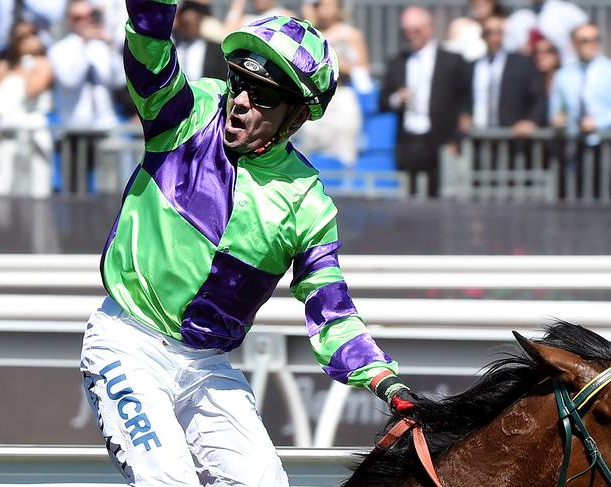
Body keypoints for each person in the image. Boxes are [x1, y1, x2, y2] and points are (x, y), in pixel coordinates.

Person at [80, 2, 413, 485]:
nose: (240, 101)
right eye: (239, 82)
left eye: (262, 96)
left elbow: (332, 313)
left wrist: (383, 381)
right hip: (127, 342)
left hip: (208, 365)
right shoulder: (187, 114)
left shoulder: (308, 201)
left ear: (296, 118)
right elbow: (149, 45)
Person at [380, 6, 470, 197]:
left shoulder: (451, 61)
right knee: (409, 196)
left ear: (429, 28)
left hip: (441, 140)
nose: (411, 35)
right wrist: (398, 98)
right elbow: (383, 100)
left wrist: (461, 125)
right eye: (406, 31)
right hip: (408, 140)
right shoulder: (397, 62)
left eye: (416, 30)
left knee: (442, 195)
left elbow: (466, 95)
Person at [48, 0, 119, 193]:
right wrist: (84, 44)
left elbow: (117, 80)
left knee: (109, 193)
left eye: (89, 16)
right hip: (74, 131)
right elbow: (70, 80)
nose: (84, 22)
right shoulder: (59, 49)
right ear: (68, 21)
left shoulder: (102, 46)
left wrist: (112, 46)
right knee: (76, 194)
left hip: (104, 127)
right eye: (78, 17)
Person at [0, 20, 54, 197]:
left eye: (31, 35)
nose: (26, 40)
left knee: (37, 189)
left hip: (34, 135)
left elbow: (32, 90)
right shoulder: (2, 67)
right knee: (2, 187)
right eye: (21, 37)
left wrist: (28, 62)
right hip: (7, 135)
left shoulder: (43, 64)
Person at [296, 0, 369, 167]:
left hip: (341, 95)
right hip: (313, 94)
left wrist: (338, 63)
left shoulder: (351, 34)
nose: (321, 7)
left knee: (344, 149)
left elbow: (363, 72)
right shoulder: (310, 32)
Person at [550, 22, 611, 198]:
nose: (591, 44)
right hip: (576, 148)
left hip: (606, 145)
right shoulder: (564, 75)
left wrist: (598, 123)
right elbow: (556, 108)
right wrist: (558, 118)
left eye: (595, 39)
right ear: (574, 44)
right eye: (585, 40)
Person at [468, 15, 545, 134]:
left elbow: (538, 96)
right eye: (489, 33)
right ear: (483, 36)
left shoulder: (521, 63)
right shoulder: (473, 66)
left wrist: (531, 121)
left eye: (498, 32)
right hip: (478, 134)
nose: (494, 37)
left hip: (510, 136)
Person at [504, 0, 588, 66]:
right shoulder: (518, 18)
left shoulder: (570, 13)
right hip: (530, 78)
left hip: (565, 73)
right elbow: (508, 52)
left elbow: (588, 37)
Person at [172, 0, 228, 81]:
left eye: (193, 22)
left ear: (201, 19)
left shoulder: (217, 51)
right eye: (185, 21)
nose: (189, 20)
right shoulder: (172, 49)